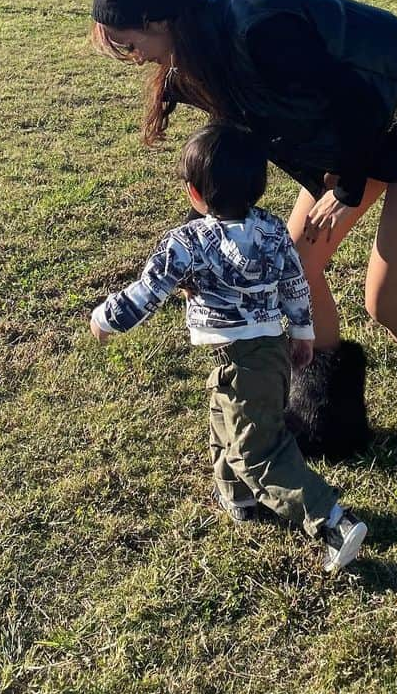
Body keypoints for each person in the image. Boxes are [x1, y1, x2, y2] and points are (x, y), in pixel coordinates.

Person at [91, 0, 397, 469]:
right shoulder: (199, 55)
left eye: (128, 44)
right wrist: (207, 246)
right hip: (349, 142)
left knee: (387, 299)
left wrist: (345, 184)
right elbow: (242, 158)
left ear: (156, 20)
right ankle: (328, 419)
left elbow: (357, 100)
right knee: (297, 266)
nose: (135, 58)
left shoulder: (259, 30)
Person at [90, 121, 368, 572]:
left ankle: (331, 520)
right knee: (225, 423)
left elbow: (149, 290)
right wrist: (301, 335)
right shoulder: (274, 230)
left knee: (258, 452)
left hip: (243, 362)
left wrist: (106, 318)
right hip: (269, 350)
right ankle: (237, 496)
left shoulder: (188, 241)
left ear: (194, 194)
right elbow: (296, 284)